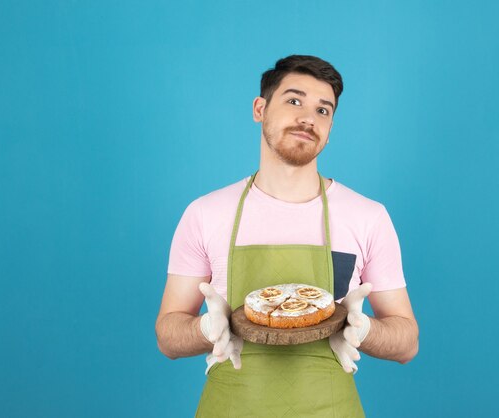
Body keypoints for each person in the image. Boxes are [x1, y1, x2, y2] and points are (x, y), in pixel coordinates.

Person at [155, 55, 419, 417]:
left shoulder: (368, 216)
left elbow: (407, 343)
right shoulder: (206, 213)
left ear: (330, 126)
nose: (308, 118)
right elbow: (168, 336)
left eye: (323, 110)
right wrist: (206, 327)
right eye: (294, 100)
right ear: (259, 109)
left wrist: (362, 328)